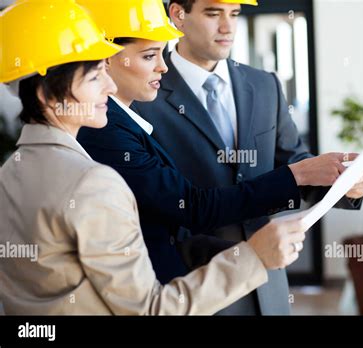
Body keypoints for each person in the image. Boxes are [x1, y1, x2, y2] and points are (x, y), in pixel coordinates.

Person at [0, 0, 307, 315]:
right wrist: (253, 259)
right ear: (45, 95)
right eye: (94, 76)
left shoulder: (9, 173)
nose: (108, 84)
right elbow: (150, 310)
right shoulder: (93, 183)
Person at [76, 0, 363, 288]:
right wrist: (301, 174)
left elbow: (296, 161)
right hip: (193, 280)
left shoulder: (264, 85)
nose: (227, 26)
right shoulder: (133, 100)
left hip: (267, 278)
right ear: (177, 14)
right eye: (213, 13)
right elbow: (184, 206)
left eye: (234, 13)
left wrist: (342, 180)